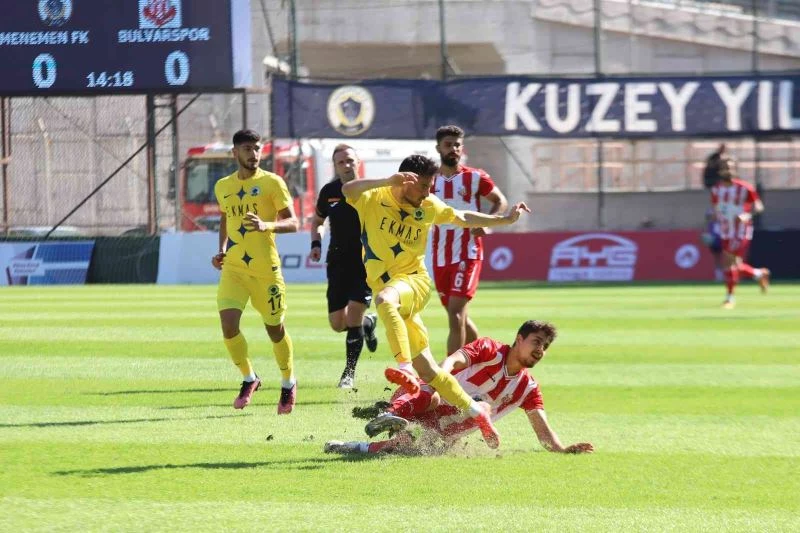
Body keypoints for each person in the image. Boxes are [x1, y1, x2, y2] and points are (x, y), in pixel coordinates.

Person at [341, 154, 530, 448]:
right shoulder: (373, 197)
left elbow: (462, 217)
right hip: (393, 288)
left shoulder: (428, 206)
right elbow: (347, 190)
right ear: (407, 180)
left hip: (414, 282)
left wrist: (504, 220)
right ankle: (475, 409)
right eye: (426, 185)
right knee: (430, 370)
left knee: (384, 300)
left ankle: (404, 370)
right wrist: (386, 180)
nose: (430, 193)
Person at [324, 320, 594, 456]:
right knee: (433, 393)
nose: (540, 350)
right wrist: (434, 382)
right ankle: (392, 412)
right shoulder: (489, 349)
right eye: (536, 342)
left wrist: (561, 449)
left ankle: (348, 446)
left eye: (545, 347)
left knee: (405, 448)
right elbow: (453, 361)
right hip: (424, 399)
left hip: (441, 436)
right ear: (519, 339)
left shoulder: (527, 388)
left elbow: (542, 429)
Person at [211, 129, 300, 413]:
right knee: (228, 327)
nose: (254, 154)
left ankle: (288, 382)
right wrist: (222, 249)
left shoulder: (272, 182)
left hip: (266, 271)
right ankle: (249, 378)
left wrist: (266, 225)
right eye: (247, 148)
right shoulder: (223, 186)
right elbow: (226, 219)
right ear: (235, 152)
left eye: (257, 148)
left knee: (275, 330)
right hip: (234, 268)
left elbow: (294, 223)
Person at [431, 125, 508, 356]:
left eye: (457, 145)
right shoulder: (430, 181)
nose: (453, 149)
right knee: (458, 317)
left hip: (468, 253)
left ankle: (451, 379)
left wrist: (487, 224)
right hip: (440, 257)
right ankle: (492, 357)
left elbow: (500, 201)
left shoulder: (475, 177)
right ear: (438, 148)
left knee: (456, 316)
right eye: (448, 145)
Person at [309, 144, 379, 389]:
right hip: (337, 262)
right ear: (335, 166)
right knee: (338, 323)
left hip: (365, 263)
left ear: (357, 162)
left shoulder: (371, 190)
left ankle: (348, 373)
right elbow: (318, 219)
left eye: (350, 160)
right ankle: (368, 324)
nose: (346, 165)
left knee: (353, 314)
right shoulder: (329, 191)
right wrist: (316, 242)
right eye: (341, 162)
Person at [709, 156, 770, 309]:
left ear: (735, 169)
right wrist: (713, 220)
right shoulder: (716, 189)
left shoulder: (745, 188)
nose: (728, 170)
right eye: (725, 167)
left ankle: (730, 298)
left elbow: (759, 206)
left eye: (730, 167)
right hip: (725, 231)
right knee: (735, 265)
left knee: (729, 262)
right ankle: (759, 274)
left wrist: (746, 215)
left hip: (740, 230)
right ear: (720, 170)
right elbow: (717, 209)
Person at [700, 207, 723, 281]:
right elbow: (708, 234)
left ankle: (728, 275)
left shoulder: (722, 222)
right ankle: (719, 276)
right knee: (717, 259)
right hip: (715, 243)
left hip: (723, 242)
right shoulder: (711, 224)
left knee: (725, 259)